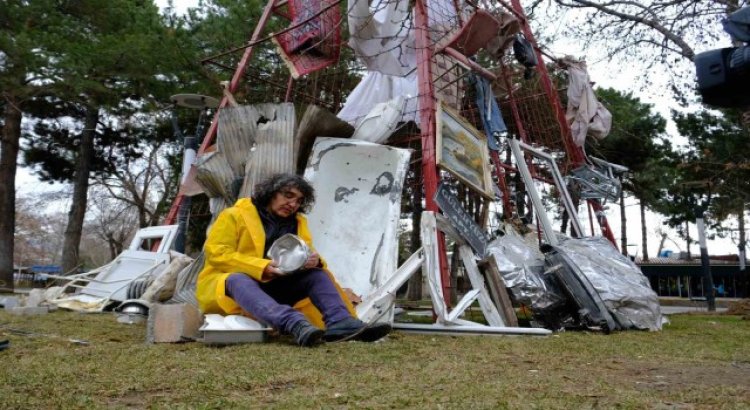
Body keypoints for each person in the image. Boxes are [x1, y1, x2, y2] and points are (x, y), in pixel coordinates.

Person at [196, 173, 391, 346]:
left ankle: (342, 324)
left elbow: (306, 251)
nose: (293, 204)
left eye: (299, 201)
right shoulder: (233, 215)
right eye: (288, 196)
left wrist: (314, 260)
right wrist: (263, 267)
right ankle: (293, 323)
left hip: (275, 288)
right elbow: (216, 253)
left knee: (317, 274)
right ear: (271, 193)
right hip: (232, 290)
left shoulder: (298, 223)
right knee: (237, 278)